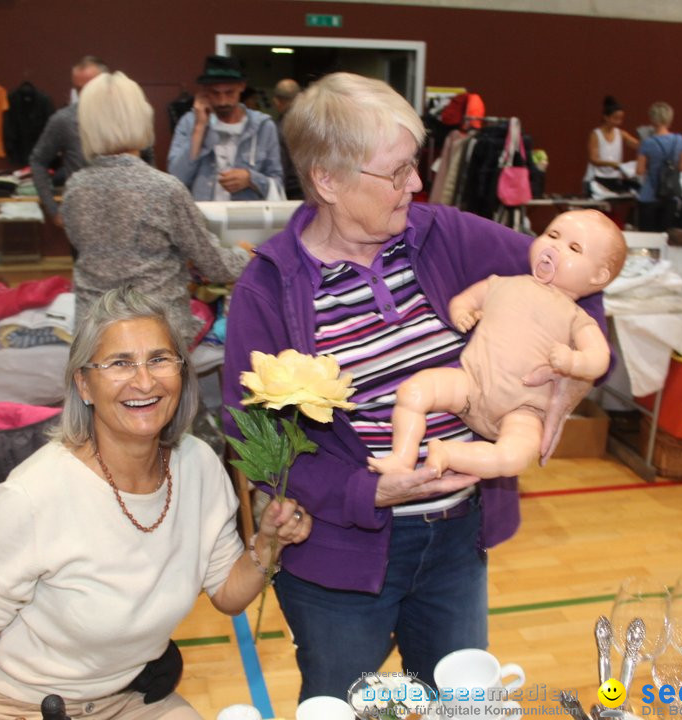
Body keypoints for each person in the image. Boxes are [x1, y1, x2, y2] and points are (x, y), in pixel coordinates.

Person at [221, 72, 608, 700]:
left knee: (458, 704)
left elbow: (580, 279)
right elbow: (253, 438)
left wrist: (572, 382)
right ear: (328, 179)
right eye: (397, 172)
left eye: (415, 167)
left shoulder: (444, 235)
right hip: (339, 558)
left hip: (457, 539)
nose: (418, 184)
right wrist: (363, 491)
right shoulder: (269, 288)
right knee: (348, 707)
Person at [0, 287, 312, 720]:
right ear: (84, 384)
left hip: (125, 699)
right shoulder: (33, 495)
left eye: (159, 359)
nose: (144, 381)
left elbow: (228, 594)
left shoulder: (198, 465)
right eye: (120, 363)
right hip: (20, 706)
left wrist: (268, 543)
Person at [369, 210, 625, 479]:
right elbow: (464, 300)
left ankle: (447, 454)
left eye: (574, 248)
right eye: (552, 235)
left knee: (514, 457)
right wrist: (462, 313)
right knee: (414, 392)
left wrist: (574, 362)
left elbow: (600, 359)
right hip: (471, 383)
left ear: (598, 277)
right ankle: (402, 457)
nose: (554, 246)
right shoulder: (501, 283)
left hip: (523, 409)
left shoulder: (578, 318)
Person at [62, 71, 248, 342]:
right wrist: (247, 256)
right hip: (156, 337)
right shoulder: (164, 189)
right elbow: (216, 266)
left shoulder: (74, 188)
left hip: (94, 334)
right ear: (141, 117)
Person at [167, 55, 283, 201]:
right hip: (203, 219)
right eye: (215, 93)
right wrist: (199, 128)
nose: (222, 101)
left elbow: (278, 184)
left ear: (242, 86)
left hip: (247, 220)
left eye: (229, 93)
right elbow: (176, 179)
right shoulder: (189, 123)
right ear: (205, 91)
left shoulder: (263, 127)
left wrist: (250, 178)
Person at [29, 56, 107, 229]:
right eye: (79, 89)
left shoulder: (126, 117)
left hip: (125, 213)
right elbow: (38, 161)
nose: (85, 94)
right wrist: (53, 210)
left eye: (91, 87)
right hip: (82, 218)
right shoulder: (64, 120)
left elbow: (146, 154)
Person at [635, 101, 682, 232]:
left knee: (647, 236)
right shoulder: (679, 140)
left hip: (649, 194)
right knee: (666, 235)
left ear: (652, 119)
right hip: (671, 194)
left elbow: (640, 170)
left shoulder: (647, 143)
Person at [584, 95, 639, 195]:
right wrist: (613, 164)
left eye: (620, 119)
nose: (618, 122)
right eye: (615, 118)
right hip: (597, 179)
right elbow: (594, 159)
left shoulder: (621, 134)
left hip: (614, 179)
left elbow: (638, 145)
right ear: (606, 117)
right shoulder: (596, 134)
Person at [273, 78, 303, 199]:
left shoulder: (278, 129)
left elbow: (281, 167)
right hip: (319, 191)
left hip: (291, 194)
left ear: (276, 102)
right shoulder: (317, 125)